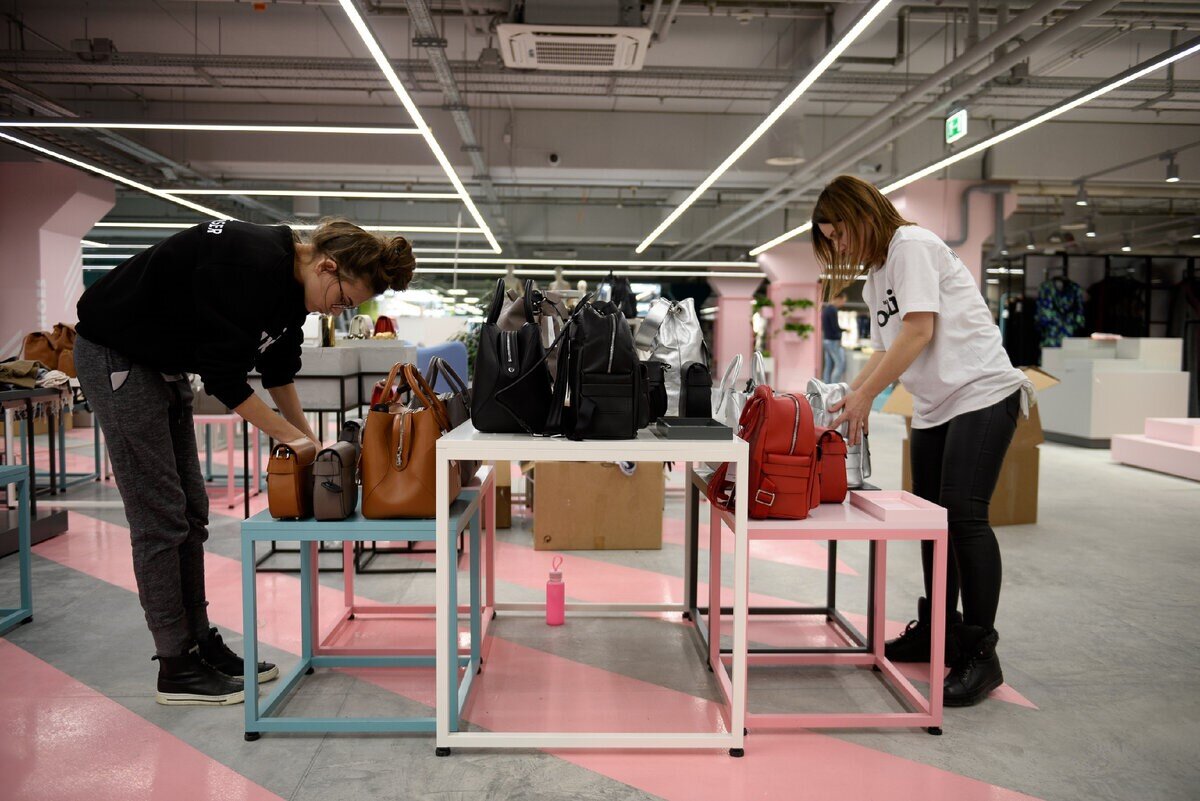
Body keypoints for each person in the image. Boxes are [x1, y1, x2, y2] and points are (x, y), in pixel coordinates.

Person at [74, 218, 415, 706]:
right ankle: (176, 664)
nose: (336, 311)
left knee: (192, 509)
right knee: (159, 517)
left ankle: (198, 642)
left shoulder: (291, 291)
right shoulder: (247, 262)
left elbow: (279, 370)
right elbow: (226, 381)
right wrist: (289, 438)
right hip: (118, 355)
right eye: (342, 300)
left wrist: (310, 441)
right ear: (326, 266)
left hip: (162, 361)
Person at [814, 175, 1032, 707]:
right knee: (933, 521)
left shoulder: (909, 245)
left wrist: (868, 397)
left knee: (965, 517)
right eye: (831, 240)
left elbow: (918, 331)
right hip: (936, 405)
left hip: (981, 391)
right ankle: (939, 631)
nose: (840, 246)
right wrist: (852, 396)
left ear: (861, 215)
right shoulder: (875, 277)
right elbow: (885, 348)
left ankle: (981, 654)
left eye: (839, 233)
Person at [821, 292, 848, 383]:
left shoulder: (826, 310)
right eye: (843, 301)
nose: (843, 304)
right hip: (833, 341)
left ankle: (826, 386)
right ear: (838, 299)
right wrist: (845, 330)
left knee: (828, 365)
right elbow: (835, 327)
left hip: (826, 340)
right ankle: (834, 386)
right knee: (840, 365)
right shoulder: (833, 310)